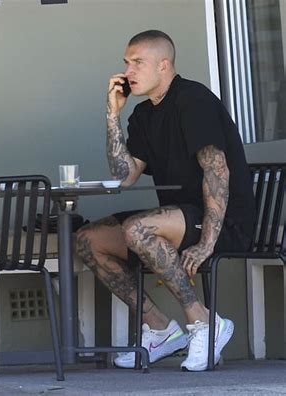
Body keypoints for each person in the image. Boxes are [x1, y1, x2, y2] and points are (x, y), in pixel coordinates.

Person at [76, 30, 256, 372]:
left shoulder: (193, 100)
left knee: (137, 230)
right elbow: (124, 175)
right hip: (177, 219)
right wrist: (112, 115)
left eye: (137, 63)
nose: (128, 71)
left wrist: (206, 242)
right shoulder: (144, 115)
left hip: (223, 221)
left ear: (164, 65)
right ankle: (160, 330)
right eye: (126, 63)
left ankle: (204, 322)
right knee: (88, 241)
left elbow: (217, 173)